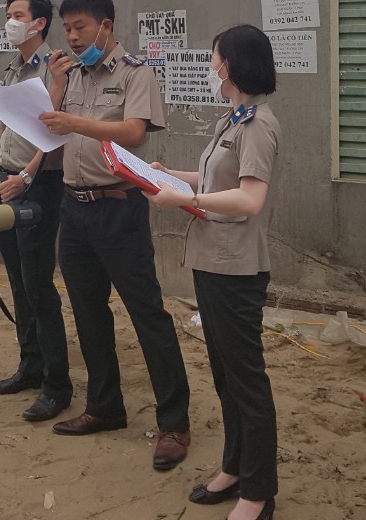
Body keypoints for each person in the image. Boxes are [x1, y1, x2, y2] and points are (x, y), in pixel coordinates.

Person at [38, 0, 191, 471]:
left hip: (118, 207)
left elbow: (134, 132)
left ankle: (174, 423)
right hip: (74, 207)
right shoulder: (71, 74)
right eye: (67, 28)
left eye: (80, 27)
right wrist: (55, 88)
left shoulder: (134, 72)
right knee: (87, 312)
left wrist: (75, 123)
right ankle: (105, 406)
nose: (72, 36)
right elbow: (45, 130)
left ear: (105, 25)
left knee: (147, 313)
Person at [148, 26, 281, 520]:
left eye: (215, 59)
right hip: (211, 260)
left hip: (236, 268)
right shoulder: (233, 119)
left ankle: (259, 492)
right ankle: (235, 468)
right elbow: (214, 179)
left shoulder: (258, 125)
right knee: (225, 376)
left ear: (234, 65)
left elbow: (249, 198)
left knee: (246, 380)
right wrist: (169, 177)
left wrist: (187, 198)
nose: (211, 68)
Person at [0, 0, 72, 421]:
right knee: (16, 277)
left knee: (38, 282)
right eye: (8, 14)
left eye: (18, 15)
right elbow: (4, 133)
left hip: (39, 183)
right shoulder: (14, 67)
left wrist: (27, 177)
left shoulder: (57, 66)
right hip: (8, 181)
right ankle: (30, 365)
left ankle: (57, 384)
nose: (10, 22)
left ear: (39, 23)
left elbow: (54, 133)